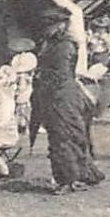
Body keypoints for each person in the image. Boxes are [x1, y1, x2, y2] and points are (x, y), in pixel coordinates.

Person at [32, 10, 104, 194]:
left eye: (50, 26)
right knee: (64, 135)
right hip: (56, 94)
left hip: (62, 95)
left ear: (61, 26)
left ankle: (69, 179)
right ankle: (77, 175)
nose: (46, 30)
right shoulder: (52, 43)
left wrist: (42, 77)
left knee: (64, 136)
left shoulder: (64, 46)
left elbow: (61, 74)